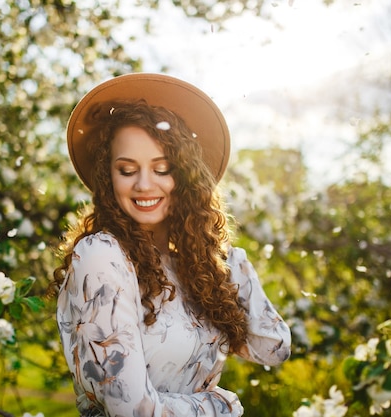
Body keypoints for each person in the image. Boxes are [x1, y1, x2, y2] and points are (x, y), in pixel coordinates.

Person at [49, 73, 291, 416]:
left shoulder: (194, 269)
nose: (144, 184)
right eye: (127, 169)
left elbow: (273, 346)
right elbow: (130, 410)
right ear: (108, 178)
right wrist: (220, 407)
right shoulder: (102, 256)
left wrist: (224, 258)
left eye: (162, 168)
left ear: (185, 177)